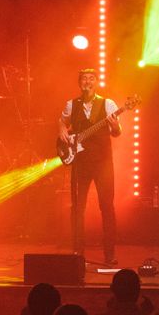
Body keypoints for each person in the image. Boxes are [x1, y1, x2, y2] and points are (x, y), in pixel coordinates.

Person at [59, 68, 122, 265]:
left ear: (96, 82)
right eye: (84, 79)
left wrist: (114, 125)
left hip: (103, 163)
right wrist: (62, 131)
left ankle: (109, 253)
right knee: (78, 208)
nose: (87, 82)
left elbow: (117, 132)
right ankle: (78, 251)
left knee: (107, 207)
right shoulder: (72, 104)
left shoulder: (108, 104)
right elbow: (62, 120)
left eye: (91, 79)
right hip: (80, 163)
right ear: (80, 83)